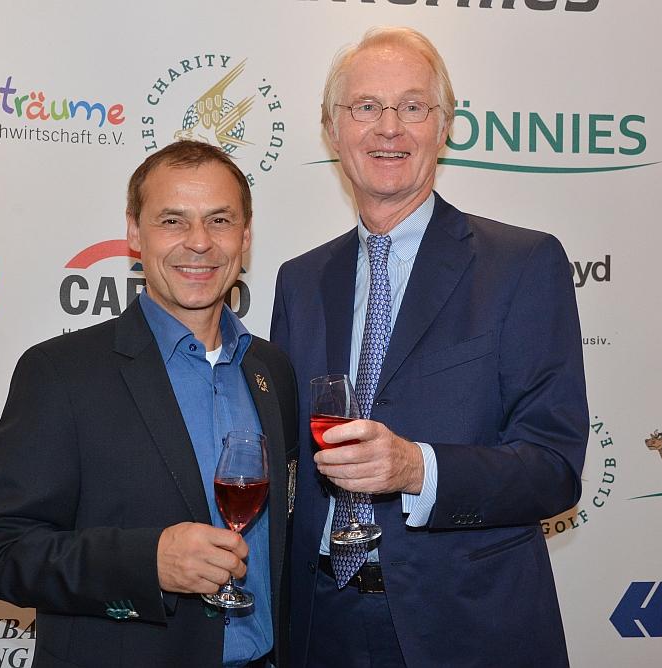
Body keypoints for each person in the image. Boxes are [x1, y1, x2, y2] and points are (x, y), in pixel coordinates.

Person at [270, 27, 588, 667]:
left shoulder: (522, 264)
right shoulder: (299, 281)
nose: (389, 127)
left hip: (465, 628)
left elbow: (554, 468)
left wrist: (419, 470)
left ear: (444, 127)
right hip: (319, 625)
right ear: (333, 129)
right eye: (366, 106)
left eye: (413, 107)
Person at [0, 140, 297, 668]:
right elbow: (3, 555)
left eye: (219, 220)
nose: (199, 242)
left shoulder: (273, 370)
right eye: (172, 221)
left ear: (245, 236)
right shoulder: (61, 372)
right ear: (134, 234)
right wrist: (150, 563)